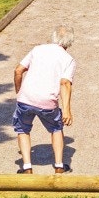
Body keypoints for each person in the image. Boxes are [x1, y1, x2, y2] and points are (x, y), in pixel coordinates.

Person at [12, 26, 75, 173]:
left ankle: (27, 167)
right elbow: (65, 83)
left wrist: (19, 91)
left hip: (25, 99)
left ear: (53, 37)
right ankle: (59, 166)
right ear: (69, 43)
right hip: (47, 102)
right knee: (56, 128)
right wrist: (67, 110)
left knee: (22, 129)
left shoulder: (37, 49)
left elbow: (18, 70)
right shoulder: (68, 60)